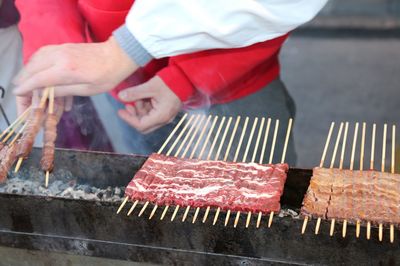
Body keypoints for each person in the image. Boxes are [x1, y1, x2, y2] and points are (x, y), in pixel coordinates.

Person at [13, 0, 327, 164]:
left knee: (251, 216)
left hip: (235, 79)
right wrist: (56, 51)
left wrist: (184, 77)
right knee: (159, 203)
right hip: (125, 86)